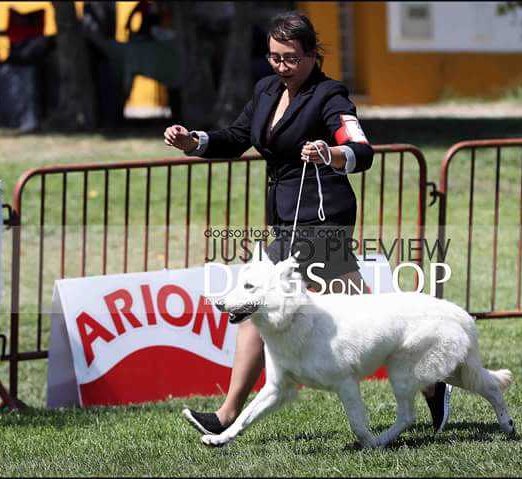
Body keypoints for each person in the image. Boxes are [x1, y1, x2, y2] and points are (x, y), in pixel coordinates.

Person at [164, 11, 451, 435]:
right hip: (284, 220)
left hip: (322, 220)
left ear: (313, 55)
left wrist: (330, 154)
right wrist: (195, 142)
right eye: (275, 57)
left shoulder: (330, 94)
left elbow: (361, 149)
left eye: (291, 58)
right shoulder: (265, 90)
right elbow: (238, 136)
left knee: (363, 312)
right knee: (274, 308)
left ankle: (431, 381)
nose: (282, 66)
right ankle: (227, 413)